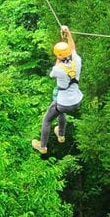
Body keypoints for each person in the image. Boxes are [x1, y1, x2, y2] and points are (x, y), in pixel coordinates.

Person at [31, 25, 82, 154]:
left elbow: (52, 73)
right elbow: (72, 48)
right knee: (60, 110)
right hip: (77, 100)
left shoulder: (58, 69)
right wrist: (68, 33)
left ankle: (42, 146)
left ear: (59, 56)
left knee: (47, 120)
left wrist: (58, 57)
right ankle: (61, 135)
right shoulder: (77, 60)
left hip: (64, 103)